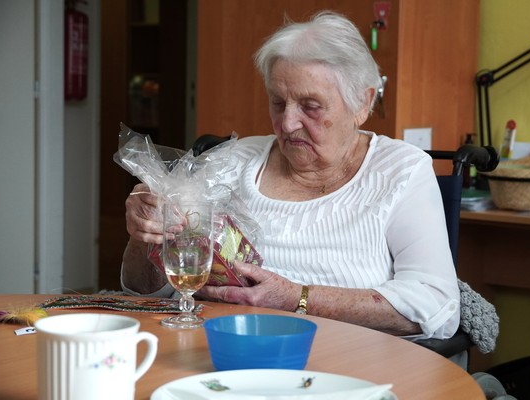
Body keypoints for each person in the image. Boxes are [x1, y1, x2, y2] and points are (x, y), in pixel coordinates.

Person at [121, 11, 459, 340]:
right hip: (228, 348)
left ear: (362, 104)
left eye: (311, 106)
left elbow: (437, 307)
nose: (287, 123)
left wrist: (297, 298)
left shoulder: (401, 171)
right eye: (278, 103)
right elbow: (145, 292)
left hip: (351, 360)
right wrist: (145, 235)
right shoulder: (233, 163)